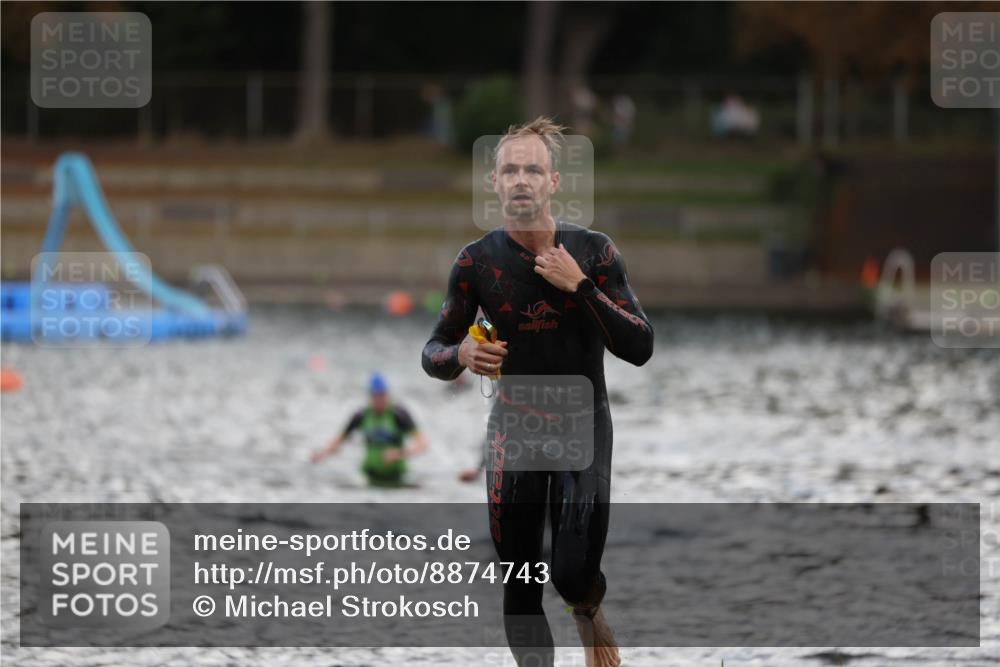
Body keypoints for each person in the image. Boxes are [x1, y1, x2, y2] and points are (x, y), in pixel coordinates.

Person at [421, 117, 653, 667]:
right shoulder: (475, 263)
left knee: (571, 574)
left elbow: (640, 345)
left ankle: (588, 610)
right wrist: (461, 355)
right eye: (510, 169)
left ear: (553, 182)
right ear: (494, 184)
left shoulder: (594, 253)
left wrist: (580, 287)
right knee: (521, 581)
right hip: (514, 429)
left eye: (533, 169)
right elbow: (433, 349)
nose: (521, 179)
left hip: (582, 421)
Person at [310, 373, 428, 487]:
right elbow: (339, 441)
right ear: (370, 396)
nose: (379, 400)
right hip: (370, 476)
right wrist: (321, 455)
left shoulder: (399, 414)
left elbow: (422, 444)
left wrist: (399, 453)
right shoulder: (361, 415)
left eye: (382, 395)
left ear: (387, 394)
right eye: (375, 396)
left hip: (397, 477)